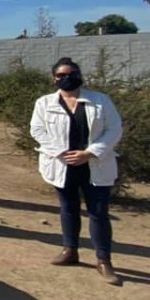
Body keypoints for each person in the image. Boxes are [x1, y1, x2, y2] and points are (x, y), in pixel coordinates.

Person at [30, 57, 123, 285]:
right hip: (63, 164)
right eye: (60, 75)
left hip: (94, 164)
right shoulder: (44, 103)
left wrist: (90, 153)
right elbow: (37, 130)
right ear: (54, 79)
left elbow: (114, 129)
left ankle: (103, 260)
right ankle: (70, 250)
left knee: (98, 212)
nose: (66, 78)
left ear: (79, 75)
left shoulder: (100, 101)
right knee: (68, 208)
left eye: (70, 73)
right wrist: (62, 152)